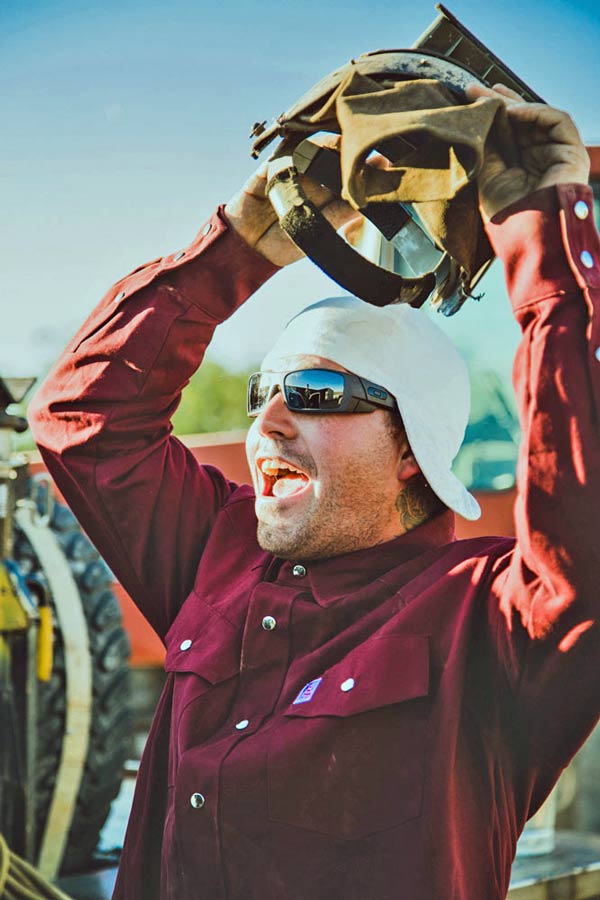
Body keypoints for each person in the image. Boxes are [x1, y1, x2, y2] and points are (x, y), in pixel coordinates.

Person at [29, 83, 598, 900]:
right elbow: (84, 419)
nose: (268, 423)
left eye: (320, 394)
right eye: (263, 393)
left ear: (411, 448)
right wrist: (243, 243)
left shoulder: (486, 621)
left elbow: (583, 535)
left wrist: (544, 241)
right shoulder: (214, 560)